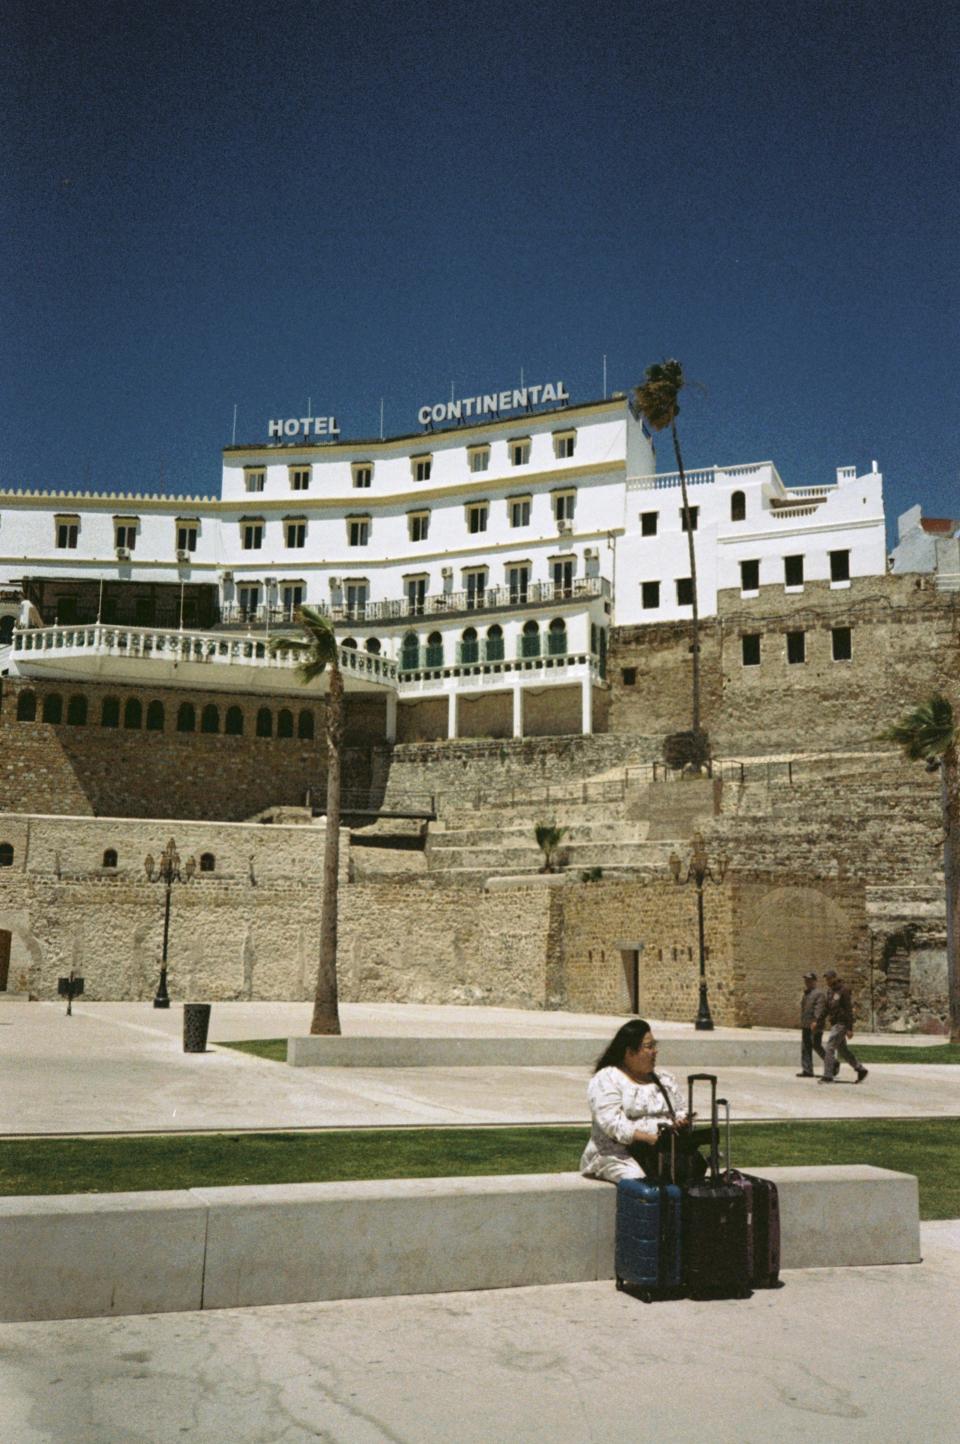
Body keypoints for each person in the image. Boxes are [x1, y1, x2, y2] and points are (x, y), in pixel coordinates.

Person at [580, 1019, 690, 1182]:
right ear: (629, 1052)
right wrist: (649, 1138)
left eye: (655, 1046)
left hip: (661, 1153)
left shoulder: (665, 1079)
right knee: (641, 1183)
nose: (655, 1052)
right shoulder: (607, 1079)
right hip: (616, 1155)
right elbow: (612, 1124)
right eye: (649, 1046)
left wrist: (681, 1123)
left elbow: (681, 1110)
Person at [819, 969, 868, 1084]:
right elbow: (826, 1008)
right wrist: (818, 1020)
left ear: (835, 978)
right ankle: (860, 1069)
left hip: (841, 1024)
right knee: (843, 1050)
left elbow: (848, 1010)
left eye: (829, 978)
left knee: (829, 1047)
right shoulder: (830, 992)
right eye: (826, 979)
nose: (827, 981)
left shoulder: (844, 991)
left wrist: (850, 1028)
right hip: (835, 1023)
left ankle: (828, 1075)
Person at [798, 971, 827, 1077]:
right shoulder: (806, 993)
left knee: (817, 1046)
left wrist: (815, 1020)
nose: (807, 982)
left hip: (815, 1025)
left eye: (809, 980)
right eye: (806, 980)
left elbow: (819, 1008)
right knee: (805, 1047)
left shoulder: (819, 993)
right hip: (806, 1025)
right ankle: (807, 1070)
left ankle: (833, 1063)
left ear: (815, 981)